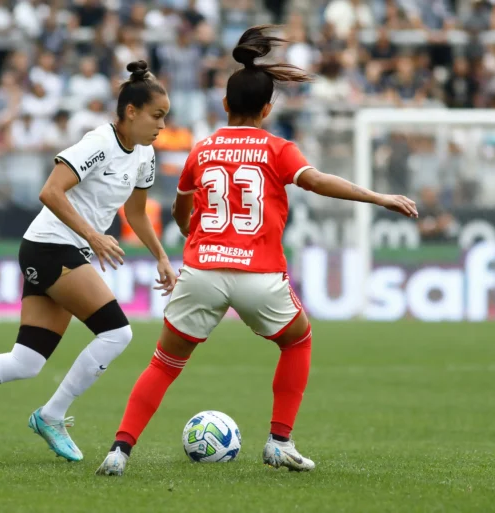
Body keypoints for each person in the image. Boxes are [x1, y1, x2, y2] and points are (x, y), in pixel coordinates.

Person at [95, 26, 418, 476]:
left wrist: (196, 238)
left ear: (225, 105)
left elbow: (180, 210)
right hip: (259, 276)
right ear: (267, 109)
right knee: (297, 339)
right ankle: (280, 441)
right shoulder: (277, 149)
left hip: (202, 270)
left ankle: (119, 451)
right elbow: (319, 182)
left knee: (165, 364)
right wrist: (379, 197)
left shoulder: (202, 149)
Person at [0, 61, 177, 463]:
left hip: (64, 249)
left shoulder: (144, 155)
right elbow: (50, 191)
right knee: (117, 333)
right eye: (157, 115)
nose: (162, 125)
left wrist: (163, 258)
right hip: (48, 247)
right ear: (130, 112)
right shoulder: (98, 143)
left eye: (164, 117)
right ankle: (52, 415)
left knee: (25, 362)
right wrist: (93, 235)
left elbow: (135, 215)